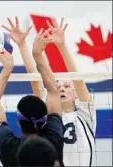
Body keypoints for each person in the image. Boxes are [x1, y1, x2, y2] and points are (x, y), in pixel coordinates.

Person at [0, 23, 65, 167]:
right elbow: (53, 90)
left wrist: (7, 69)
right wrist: (38, 55)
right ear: (45, 118)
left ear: (18, 120)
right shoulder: (54, 138)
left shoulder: (8, 145)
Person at [45, 18, 96, 166]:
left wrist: (62, 46)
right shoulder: (49, 120)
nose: (61, 88)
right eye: (58, 87)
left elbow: (78, 80)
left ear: (75, 95)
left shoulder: (85, 115)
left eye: (67, 86)